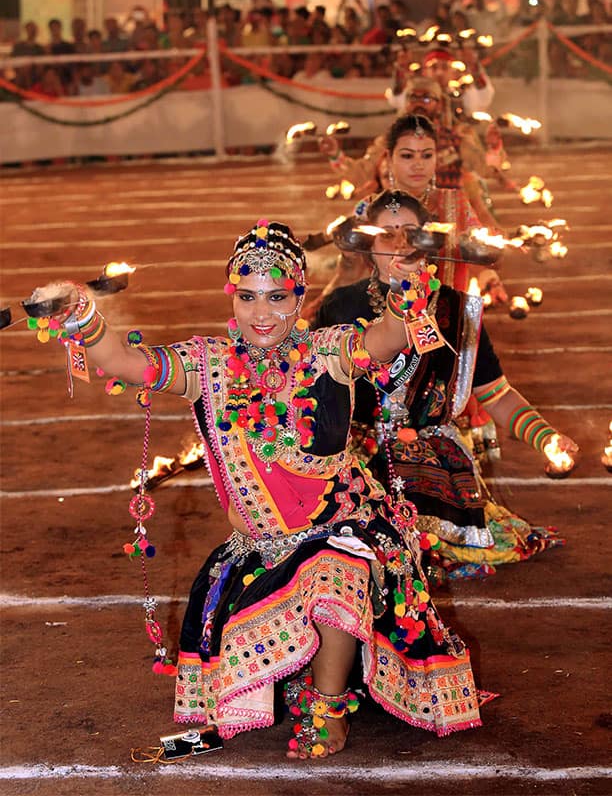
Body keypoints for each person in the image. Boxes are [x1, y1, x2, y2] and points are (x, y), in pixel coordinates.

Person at [35, 220, 483, 757]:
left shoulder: (327, 352)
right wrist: (80, 315)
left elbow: (386, 340)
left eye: (277, 296)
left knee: (334, 571)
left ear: (300, 297)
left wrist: (403, 291)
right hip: (258, 544)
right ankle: (303, 666)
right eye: (248, 297)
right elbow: (126, 363)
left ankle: (327, 705)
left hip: (341, 530)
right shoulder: (209, 364)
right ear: (232, 296)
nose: (262, 313)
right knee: (297, 590)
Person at [312, 191, 578, 583]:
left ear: (430, 243)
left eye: (411, 233)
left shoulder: (458, 310)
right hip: (359, 452)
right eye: (387, 234)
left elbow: (496, 393)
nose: (400, 244)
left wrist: (547, 439)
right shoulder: (338, 307)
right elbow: (316, 394)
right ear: (369, 245)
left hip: (434, 454)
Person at [320, 113, 503, 297]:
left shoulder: (455, 203)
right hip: (384, 318)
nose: (418, 165)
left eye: (427, 155)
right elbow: (349, 273)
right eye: (407, 156)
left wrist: (489, 277)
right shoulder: (368, 208)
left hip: (446, 318)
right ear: (390, 159)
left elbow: (475, 254)